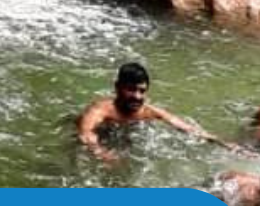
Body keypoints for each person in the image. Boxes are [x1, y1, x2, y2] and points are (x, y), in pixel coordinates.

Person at [77, 62, 242, 162]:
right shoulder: (101, 110)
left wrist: (223, 143)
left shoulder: (149, 112)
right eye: (131, 90)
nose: (137, 96)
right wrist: (100, 152)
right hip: (102, 136)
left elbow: (187, 128)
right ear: (117, 87)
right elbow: (86, 134)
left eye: (142, 91)